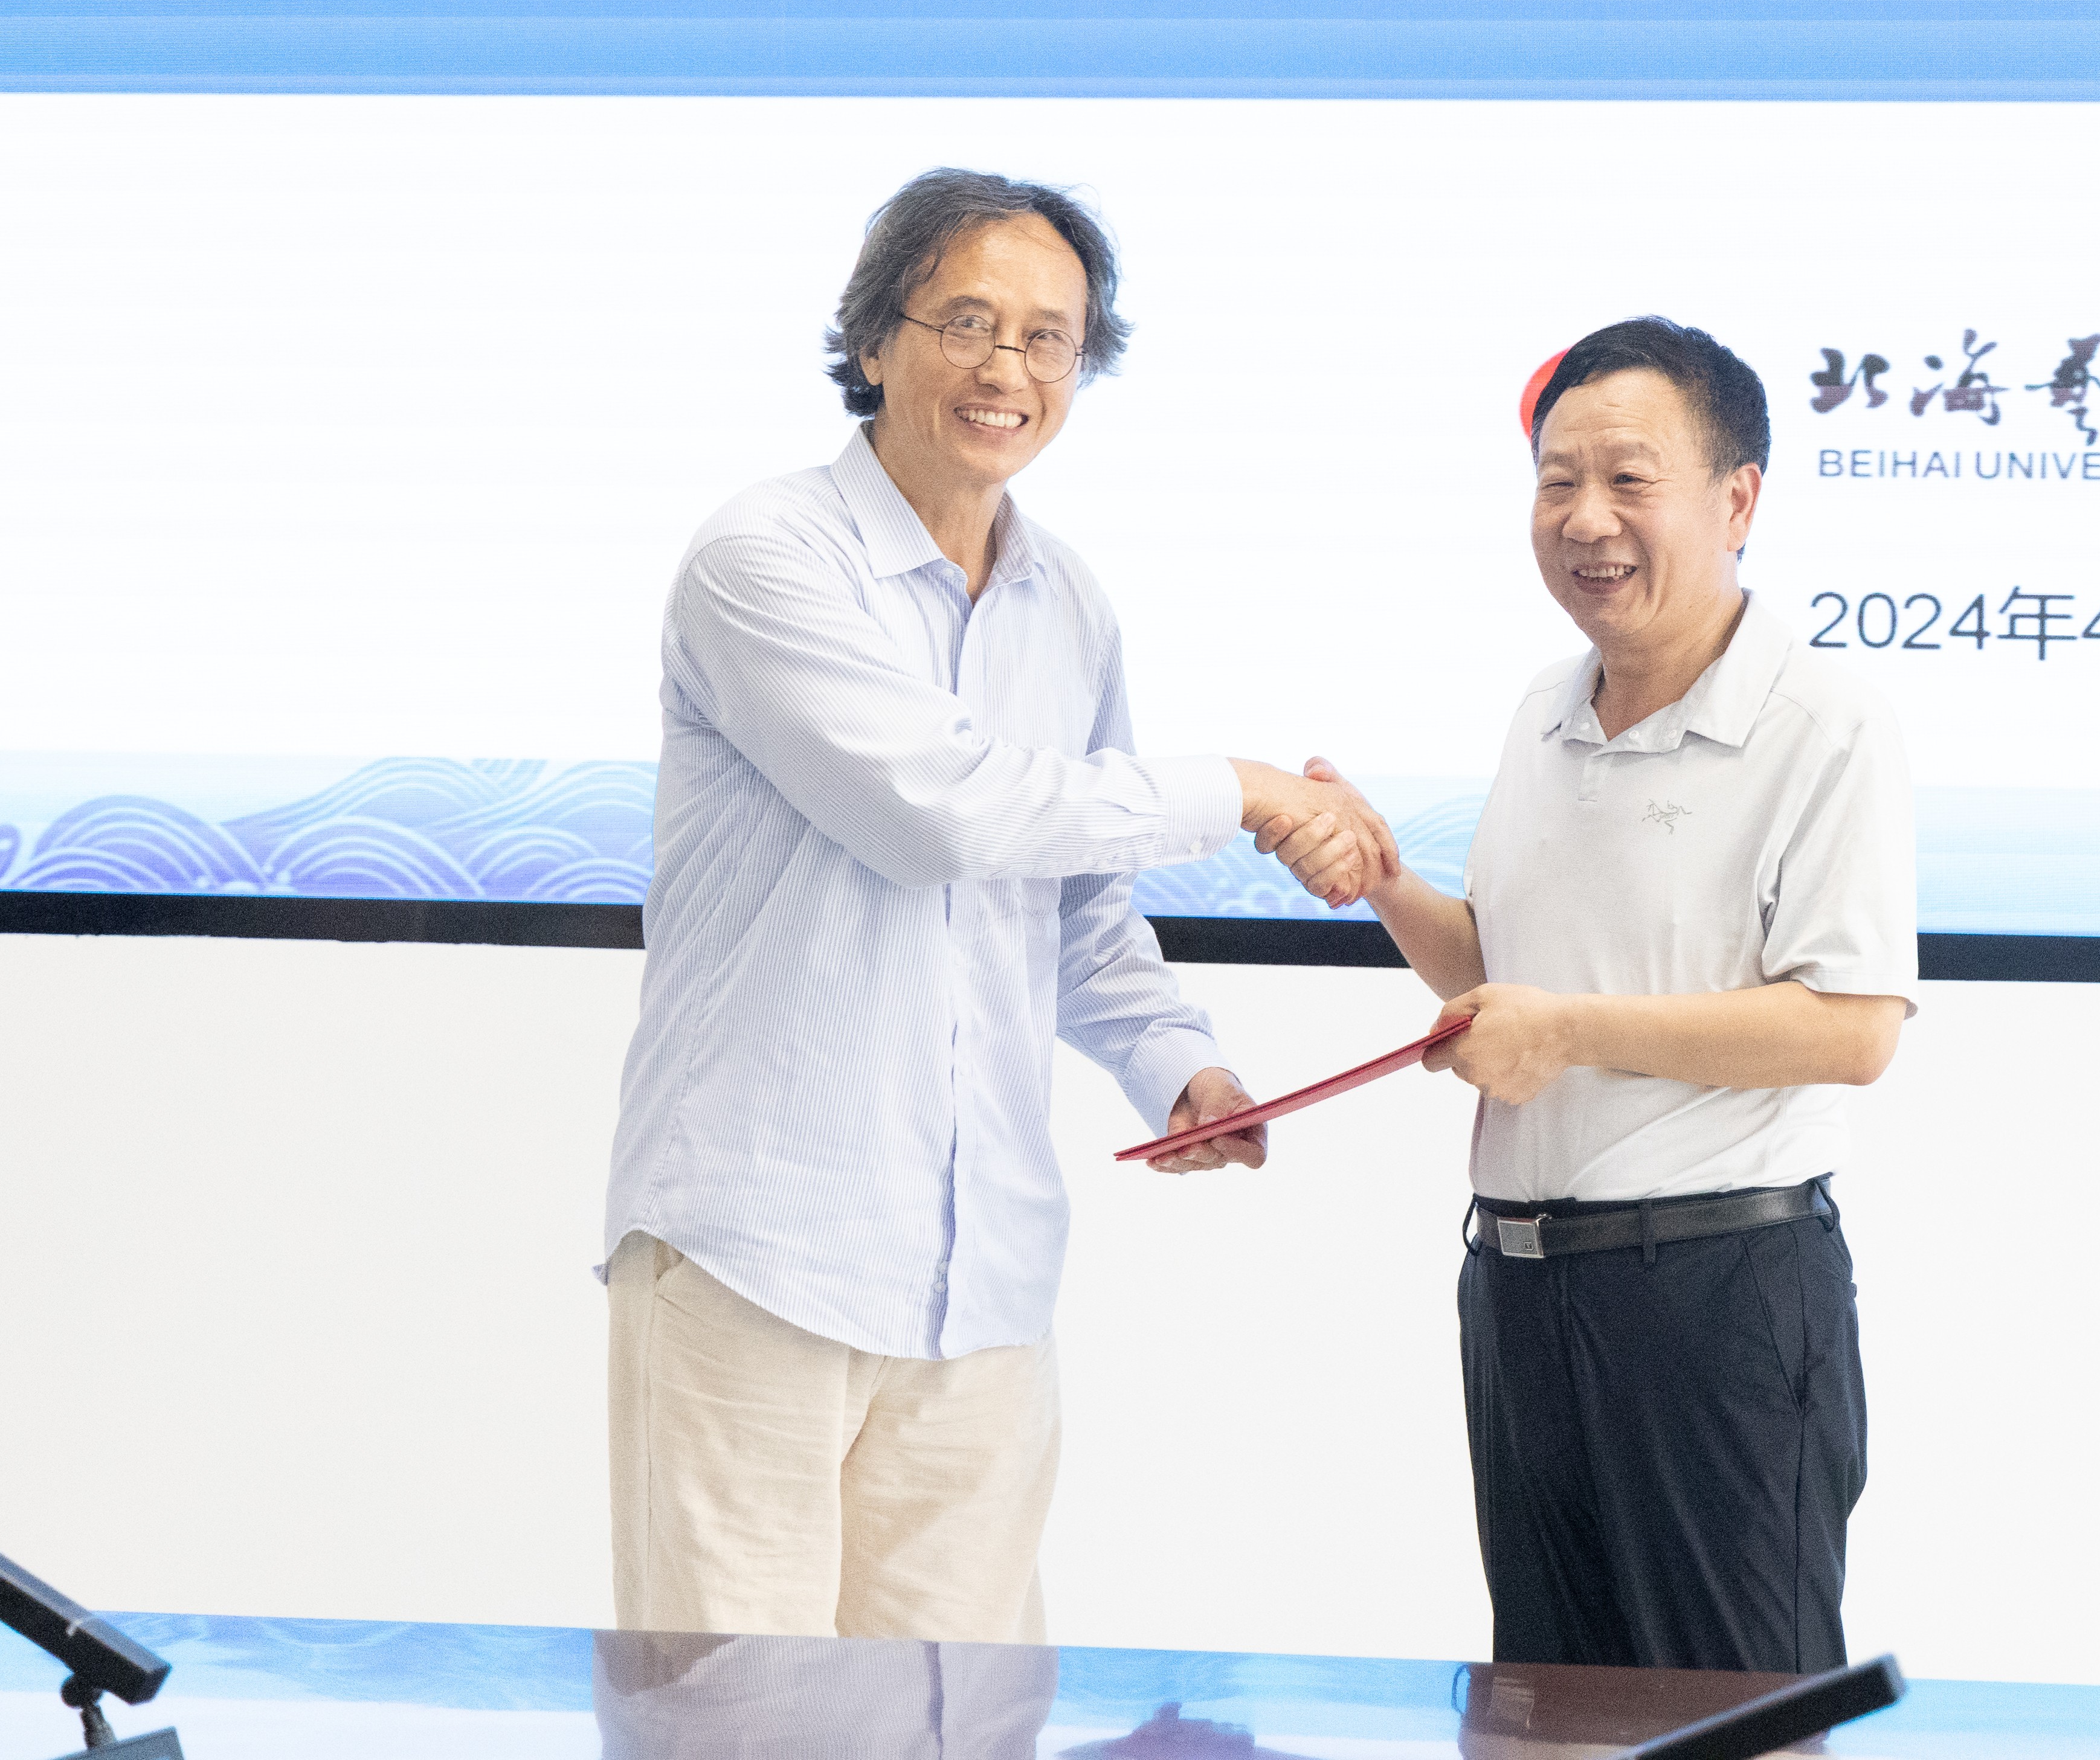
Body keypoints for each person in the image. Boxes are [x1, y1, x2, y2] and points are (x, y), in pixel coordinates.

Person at [602, 168, 1394, 1646]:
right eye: (965, 323)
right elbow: (945, 813)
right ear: (873, 339)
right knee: (732, 1724)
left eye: (1048, 339)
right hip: (759, 1251)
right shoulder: (763, 557)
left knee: (954, 1722)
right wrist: (1239, 789)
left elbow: (1078, 908)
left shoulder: (1068, 602)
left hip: (985, 1289)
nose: (1006, 369)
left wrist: (1177, 1065)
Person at [1288, 316, 1915, 1674]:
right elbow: (1503, 981)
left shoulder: (1821, 723)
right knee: (1542, 1710)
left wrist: (1567, 1031)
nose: (1586, 519)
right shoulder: (1544, 705)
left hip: (1713, 1294)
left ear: (1736, 500)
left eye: (1629, 480)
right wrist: (1386, 878)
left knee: (1729, 1714)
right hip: (1520, 1292)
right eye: (1556, 481)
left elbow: (1853, 1027)